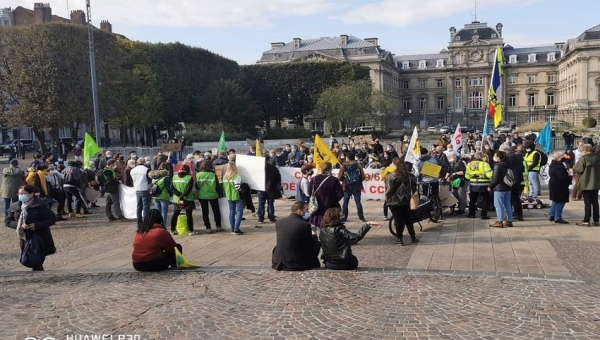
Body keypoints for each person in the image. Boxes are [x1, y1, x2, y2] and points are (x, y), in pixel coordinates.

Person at [5, 185, 57, 271]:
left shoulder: (40, 205)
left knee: (37, 256)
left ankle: (38, 271)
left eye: (24, 194)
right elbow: (8, 221)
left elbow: (52, 219)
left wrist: (36, 225)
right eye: (20, 194)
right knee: (27, 257)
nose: (21, 196)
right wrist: (20, 225)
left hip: (39, 234)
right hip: (24, 236)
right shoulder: (16, 207)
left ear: (31, 194)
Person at [272, 202, 321, 271]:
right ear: (299, 210)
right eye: (305, 210)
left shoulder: (279, 222)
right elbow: (309, 243)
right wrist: (314, 235)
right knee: (317, 244)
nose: (306, 212)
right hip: (294, 261)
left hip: (279, 260)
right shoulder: (304, 224)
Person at [385, 160, 419, 245]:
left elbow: (388, 190)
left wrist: (386, 197)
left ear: (395, 166)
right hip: (406, 200)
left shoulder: (391, 176)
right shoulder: (410, 176)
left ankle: (399, 238)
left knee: (398, 219)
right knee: (408, 219)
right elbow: (414, 188)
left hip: (394, 201)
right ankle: (413, 237)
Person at [308, 162, 344, 228]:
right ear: (330, 169)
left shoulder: (314, 179)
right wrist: (333, 199)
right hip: (330, 206)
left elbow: (309, 192)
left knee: (317, 225)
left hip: (317, 206)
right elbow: (340, 194)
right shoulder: (334, 180)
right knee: (330, 224)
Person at [572, 144, 600, 227]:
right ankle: (596, 220)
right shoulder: (598, 158)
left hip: (586, 183)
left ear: (585, 150)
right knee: (595, 202)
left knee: (587, 202)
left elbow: (577, 169)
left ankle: (586, 220)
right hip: (596, 183)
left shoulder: (584, 158)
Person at [338, 152, 366, 222]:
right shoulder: (358, 165)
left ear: (347, 158)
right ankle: (361, 217)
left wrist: (345, 179)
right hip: (357, 186)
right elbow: (363, 176)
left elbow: (339, 177)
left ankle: (344, 217)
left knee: (345, 202)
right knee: (358, 202)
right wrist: (358, 180)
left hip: (347, 186)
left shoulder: (343, 166)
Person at [488, 151, 514, 228]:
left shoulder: (497, 166)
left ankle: (499, 221)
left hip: (499, 188)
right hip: (507, 187)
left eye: (495, 156)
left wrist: (490, 186)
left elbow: (495, 179)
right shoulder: (508, 164)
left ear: (498, 158)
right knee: (507, 204)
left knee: (498, 205)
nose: (494, 157)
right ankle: (509, 221)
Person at [196, 160, 222, 233]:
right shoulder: (213, 175)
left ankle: (208, 227)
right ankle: (218, 226)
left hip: (202, 195)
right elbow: (217, 186)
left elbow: (197, 186)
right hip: (213, 195)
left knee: (205, 212)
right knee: (216, 211)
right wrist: (220, 194)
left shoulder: (198, 175)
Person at [170, 164, 197, 235]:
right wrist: (183, 195)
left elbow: (172, 188)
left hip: (177, 199)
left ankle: (172, 230)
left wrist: (179, 195)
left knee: (175, 214)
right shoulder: (189, 178)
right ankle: (191, 231)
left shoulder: (174, 177)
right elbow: (189, 189)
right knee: (189, 214)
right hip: (188, 199)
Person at [465, 151, 493, 219]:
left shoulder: (469, 164)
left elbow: (467, 177)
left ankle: (472, 214)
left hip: (473, 184)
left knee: (472, 200)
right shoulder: (485, 164)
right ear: (482, 157)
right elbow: (490, 175)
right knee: (485, 200)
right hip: (484, 184)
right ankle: (483, 215)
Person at [548, 152, 572, 224]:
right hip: (559, 186)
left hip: (554, 184)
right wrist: (570, 175)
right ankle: (557, 217)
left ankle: (552, 215)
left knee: (555, 200)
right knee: (560, 201)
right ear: (558, 158)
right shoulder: (559, 166)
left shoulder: (553, 165)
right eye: (562, 157)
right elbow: (562, 177)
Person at [258, 157, 281, 223]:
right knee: (270, 203)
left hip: (260, 188)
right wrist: (274, 185)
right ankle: (271, 217)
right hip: (270, 188)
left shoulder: (259, 168)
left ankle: (261, 218)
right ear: (268, 160)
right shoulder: (273, 168)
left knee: (261, 203)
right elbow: (278, 178)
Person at [223, 162, 244, 234]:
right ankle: (236, 228)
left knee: (231, 211)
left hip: (229, 196)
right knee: (239, 212)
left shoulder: (224, 177)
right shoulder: (237, 176)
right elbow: (237, 187)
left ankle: (232, 228)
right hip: (237, 196)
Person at [130, 158, 151, 228]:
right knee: (146, 207)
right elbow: (149, 180)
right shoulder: (146, 169)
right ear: (144, 162)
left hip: (137, 189)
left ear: (137, 162)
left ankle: (139, 223)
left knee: (139, 207)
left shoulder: (133, 170)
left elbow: (132, 179)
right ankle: (146, 223)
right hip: (145, 188)